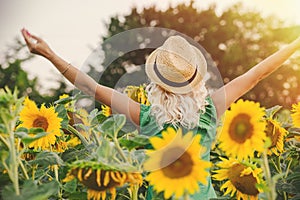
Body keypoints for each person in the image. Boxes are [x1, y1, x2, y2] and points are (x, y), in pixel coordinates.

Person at [21, 28, 300, 199]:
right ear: (196, 80)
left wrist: (48, 53)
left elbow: (88, 86)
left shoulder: (145, 116)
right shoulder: (210, 108)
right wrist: (293, 45)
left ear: (157, 83)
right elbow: (256, 74)